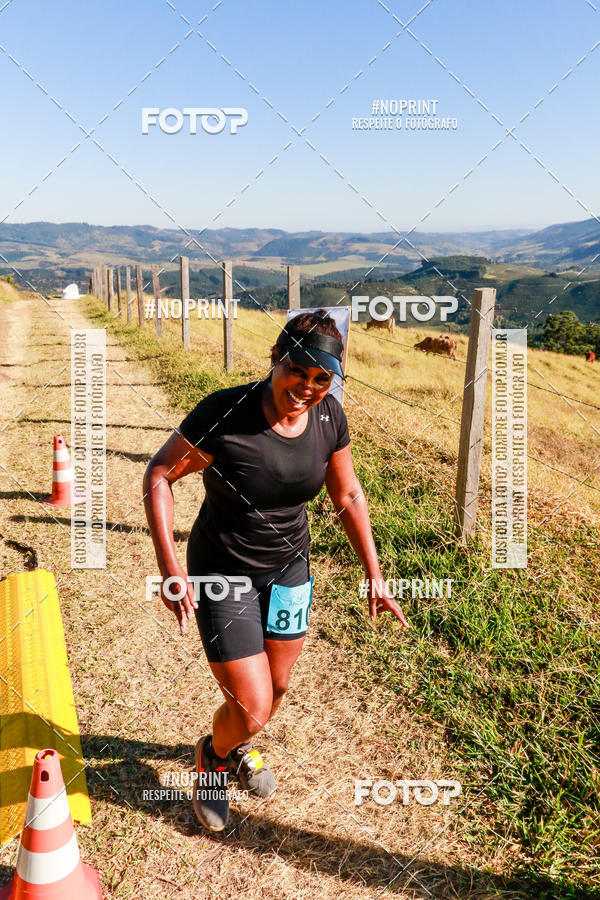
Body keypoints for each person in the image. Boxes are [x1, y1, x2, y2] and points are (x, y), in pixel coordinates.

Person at [143, 309, 409, 832]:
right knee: (255, 704)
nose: (306, 387)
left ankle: (235, 741)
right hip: (224, 570)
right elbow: (159, 474)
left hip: (289, 571)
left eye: (321, 378)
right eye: (298, 370)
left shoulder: (330, 417)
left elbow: (348, 493)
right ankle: (214, 761)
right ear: (276, 358)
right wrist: (170, 565)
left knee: (278, 685)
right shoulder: (226, 413)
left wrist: (374, 573)